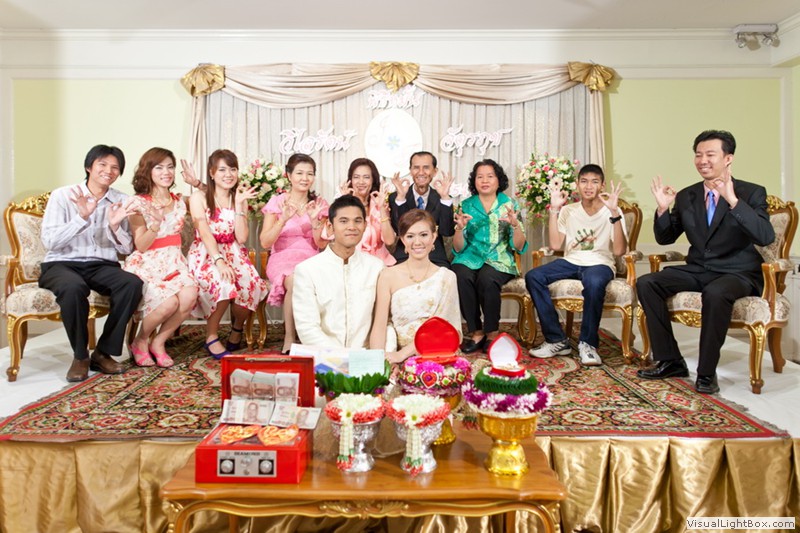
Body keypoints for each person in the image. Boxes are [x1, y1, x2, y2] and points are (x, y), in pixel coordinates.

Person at [636, 130, 775, 394]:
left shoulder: (751, 192)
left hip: (738, 272)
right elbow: (665, 238)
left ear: (728, 158)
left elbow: (765, 236)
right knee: (647, 283)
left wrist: (732, 200)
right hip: (699, 269)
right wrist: (663, 208)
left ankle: (707, 373)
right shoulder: (687, 195)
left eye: (710, 154)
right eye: (698, 155)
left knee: (716, 292)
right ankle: (670, 360)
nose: (703, 161)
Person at [39, 144, 143, 382]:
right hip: (61, 263)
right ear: (89, 167)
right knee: (73, 287)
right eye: (102, 164)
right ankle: (80, 356)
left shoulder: (121, 201)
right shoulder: (63, 196)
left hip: (101, 265)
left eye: (115, 167)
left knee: (131, 284)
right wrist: (81, 217)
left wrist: (115, 226)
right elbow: (50, 242)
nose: (109, 171)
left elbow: (126, 249)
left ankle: (102, 353)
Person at [525, 164, 627, 366]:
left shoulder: (613, 210)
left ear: (602, 185)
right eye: (584, 181)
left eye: (594, 182)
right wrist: (554, 209)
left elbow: (619, 251)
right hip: (571, 261)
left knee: (594, 282)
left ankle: (588, 344)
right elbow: (556, 245)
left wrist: (614, 213)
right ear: (577, 185)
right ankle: (556, 339)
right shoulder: (568, 210)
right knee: (533, 276)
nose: (589, 186)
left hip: (600, 263)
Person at [187, 149, 269, 359]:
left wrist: (240, 205)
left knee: (251, 284)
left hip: (234, 251)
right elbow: (204, 232)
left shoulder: (239, 197)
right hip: (207, 252)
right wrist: (219, 261)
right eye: (222, 169)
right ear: (212, 172)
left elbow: (241, 237)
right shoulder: (198, 197)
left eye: (232, 169)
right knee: (223, 282)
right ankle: (211, 336)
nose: (228, 174)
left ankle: (237, 328)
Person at [122, 148, 199, 368]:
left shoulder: (180, 201)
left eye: (170, 167)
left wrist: (196, 183)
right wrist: (155, 224)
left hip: (174, 261)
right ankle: (140, 341)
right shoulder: (137, 203)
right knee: (168, 303)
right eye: (159, 167)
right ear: (148, 170)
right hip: (148, 262)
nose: (166, 172)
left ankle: (158, 342)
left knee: (189, 296)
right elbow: (141, 244)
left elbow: (213, 199)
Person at [452, 159, 528, 354]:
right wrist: (459, 229)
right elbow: (458, 249)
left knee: (487, 278)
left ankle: (492, 332)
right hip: (470, 256)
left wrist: (515, 225)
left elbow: (519, 246)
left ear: (498, 180)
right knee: (460, 274)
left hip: (499, 258)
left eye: (490, 176)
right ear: (474, 181)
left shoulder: (509, 204)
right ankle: (476, 332)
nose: (484, 181)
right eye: (480, 177)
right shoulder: (466, 205)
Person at [369, 209, 462, 363]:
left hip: (435, 352)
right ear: (402, 239)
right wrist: (377, 360)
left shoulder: (446, 277)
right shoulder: (387, 275)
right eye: (410, 236)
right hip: (395, 352)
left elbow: (443, 327)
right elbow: (379, 325)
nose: (417, 242)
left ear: (434, 237)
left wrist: (402, 355)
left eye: (424, 235)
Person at [292, 195, 384, 349]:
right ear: (330, 226)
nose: (352, 227)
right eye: (343, 221)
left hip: (366, 357)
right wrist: (341, 357)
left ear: (365, 225)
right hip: (325, 357)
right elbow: (307, 328)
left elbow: (385, 322)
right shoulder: (308, 270)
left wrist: (384, 356)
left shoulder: (376, 268)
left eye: (357, 221)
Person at [259, 154, 329, 353]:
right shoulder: (277, 202)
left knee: (309, 277)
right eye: (299, 173)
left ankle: (315, 335)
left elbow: (321, 243)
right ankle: (290, 337)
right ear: (289, 176)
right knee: (295, 280)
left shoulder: (319, 204)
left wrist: (315, 222)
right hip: (282, 257)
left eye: (309, 174)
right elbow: (265, 242)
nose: (305, 178)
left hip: (311, 258)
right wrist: (282, 219)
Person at [389, 151, 456, 267]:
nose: (421, 172)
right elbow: (399, 230)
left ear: (435, 171)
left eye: (426, 167)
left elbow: (446, 231)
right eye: (416, 168)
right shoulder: (397, 196)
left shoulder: (441, 197)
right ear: (410, 171)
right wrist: (401, 199)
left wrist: (445, 198)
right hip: (405, 253)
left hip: (434, 255)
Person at [340, 157, 396, 266]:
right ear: (350, 180)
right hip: (352, 263)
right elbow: (338, 239)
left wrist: (382, 209)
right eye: (356, 177)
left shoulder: (380, 204)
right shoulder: (341, 205)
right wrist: (345, 203)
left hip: (380, 264)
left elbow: (389, 241)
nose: (361, 182)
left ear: (373, 180)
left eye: (366, 177)